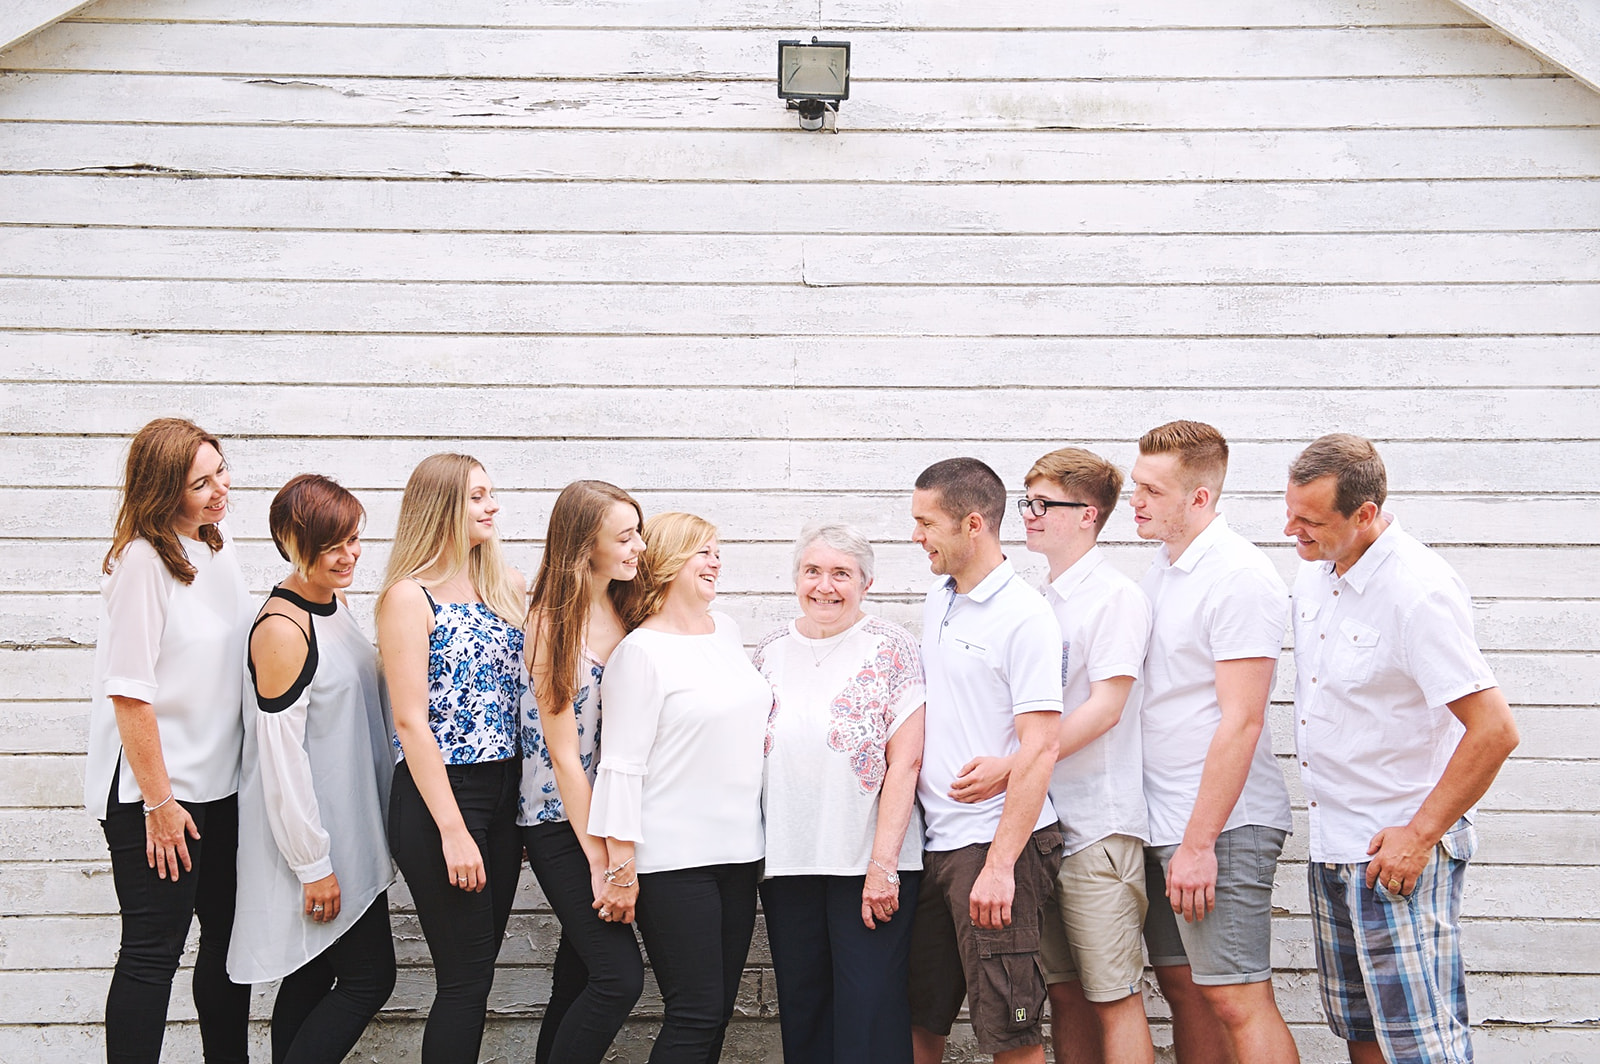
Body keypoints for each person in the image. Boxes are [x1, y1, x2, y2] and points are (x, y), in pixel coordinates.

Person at [1284, 434, 1519, 1064]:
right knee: (1363, 1033)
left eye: (1309, 520)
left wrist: (1419, 836)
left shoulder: (1419, 590)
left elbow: (1494, 730)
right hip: (1335, 844)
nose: (1291, 530)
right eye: (1290, 512)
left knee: (1422, 1047)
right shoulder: (1317, 574)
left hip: (1399, 852)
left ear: (1365, 513)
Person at [950, 448, 1156, 1064]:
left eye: (1045, 504)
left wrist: (1013, 765)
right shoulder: (1040, 596)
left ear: (1088, 515)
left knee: (1114, 996)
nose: (1030, 515)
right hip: (1047, 827)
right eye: (1027, 502)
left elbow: (1106, 708)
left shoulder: (1115, 597)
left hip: (1100, 828)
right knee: (1063, 994)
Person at [1130, 420, 1298, 1064]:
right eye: (1137, 484)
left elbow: (1243, 720)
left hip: (1221, 829)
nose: (1136, 500)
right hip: (1164, 821)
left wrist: (1199, 844)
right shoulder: (1163, 567)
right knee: (1185, 988)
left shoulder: (1239, 576)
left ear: (1200, 498)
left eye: (1153, 489)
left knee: (1236, 996)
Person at [87, 417, 253, 1064]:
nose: (220, 490)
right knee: (154, 950)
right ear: (162, 492)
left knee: (227, 943)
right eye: (199, 483)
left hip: (219, 785)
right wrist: (160, 805)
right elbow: (129, 692)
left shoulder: (217, 542)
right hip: (154, 795)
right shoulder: (142, 562)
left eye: (220, 472)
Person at [588, 512, 771, 1064]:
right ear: (668, 563)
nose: (717, 562)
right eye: (703, 552)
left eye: (718, 551)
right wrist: (621, 867)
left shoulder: (729, 632)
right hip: (672, 862)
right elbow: (620, 766)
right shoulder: (640, 653)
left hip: (740, 853)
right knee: (692, 1011)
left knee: (715, 1014)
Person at [229, 474, 397, 1063]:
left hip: (354, 823)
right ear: (290, 540)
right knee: (368, 980)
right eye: (333, 543)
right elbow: (279, 761)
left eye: (355, 539)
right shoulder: (283, 628)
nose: (349, 555)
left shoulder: (336, 605)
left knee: (313, 976)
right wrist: (313, 863)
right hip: (320, 839)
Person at [905, 458, 1065, 1064]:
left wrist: (999, 866)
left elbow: (1042, 744)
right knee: (919, 1015)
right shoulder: (937, 600)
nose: (916, 536)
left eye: (927, 523)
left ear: (973, 524)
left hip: (997, 846)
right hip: (936, 844)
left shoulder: (1024, 616)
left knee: (1009, 1030)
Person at [754, 522, 927, 1064]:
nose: (825, 586)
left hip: (869, 864)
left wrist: (883, 865)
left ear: (866, 583)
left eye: (841, 574)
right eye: (813, 571)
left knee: (868, 1009)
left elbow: (908, 762)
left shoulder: (893, 646)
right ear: (795, 579)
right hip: (788, 860)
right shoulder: (769, 650)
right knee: (803, 1008)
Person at [376, 453, 527, 1064]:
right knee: (464, 982)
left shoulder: (505, 586)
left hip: (501, 793)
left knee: (477, 976)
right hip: (441, 796)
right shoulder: (408, 598)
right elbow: (411, 721)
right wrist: (454, 830)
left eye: (491, 494)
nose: (492, 506)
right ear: (440, 507)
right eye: (477, 497)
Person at [519, 481, 647, 1064]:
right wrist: (602, 861)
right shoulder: (551, 623)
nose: (638, 546)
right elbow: (564, 755)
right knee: (618, 979)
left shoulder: (625, 606)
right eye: (624, 537)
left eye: (637, 532)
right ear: (582, 546)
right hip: (560, 821)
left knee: (576, 978)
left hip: (614, 816)